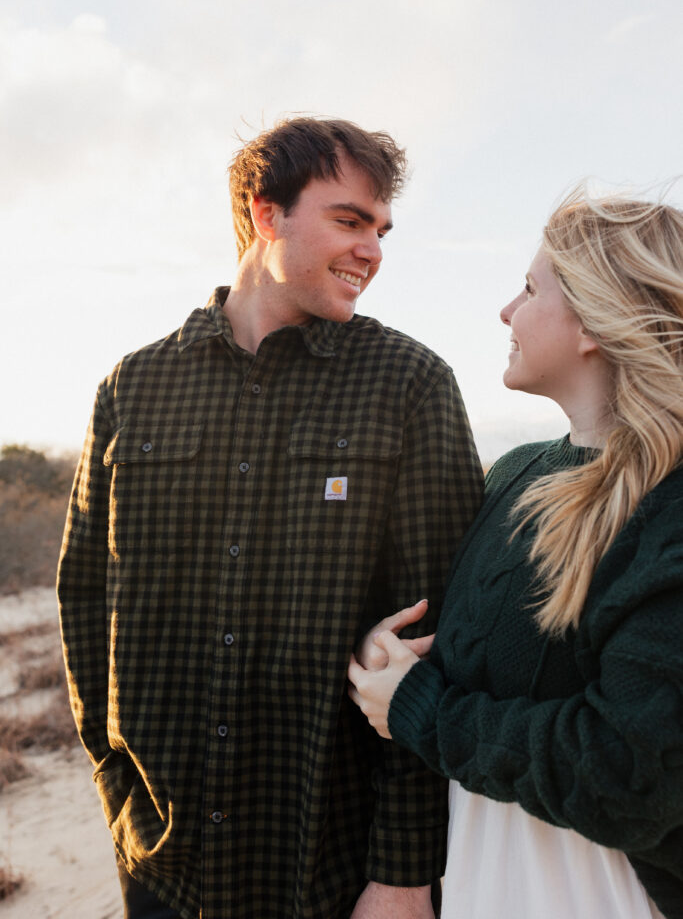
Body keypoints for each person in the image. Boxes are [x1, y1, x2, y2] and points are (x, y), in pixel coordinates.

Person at [57, 116, 483, 919]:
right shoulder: (133, 386)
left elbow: (441, 636)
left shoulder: (409, 385)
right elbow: (84, 597)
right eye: (349, 221)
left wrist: (401, 871)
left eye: (381, 230)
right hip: (160, 856)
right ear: (265, 212)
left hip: (331, 861)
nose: (373, 251)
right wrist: (114, 777)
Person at [348, 189, 683, 919]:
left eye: (529, 289)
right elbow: (477, 655)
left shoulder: (670, 510)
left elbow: (627, 777)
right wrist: (396, 656)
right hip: (478, 879)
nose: (505, 311)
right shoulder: (512, 475)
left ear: (594, 321)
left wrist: (418, 709)